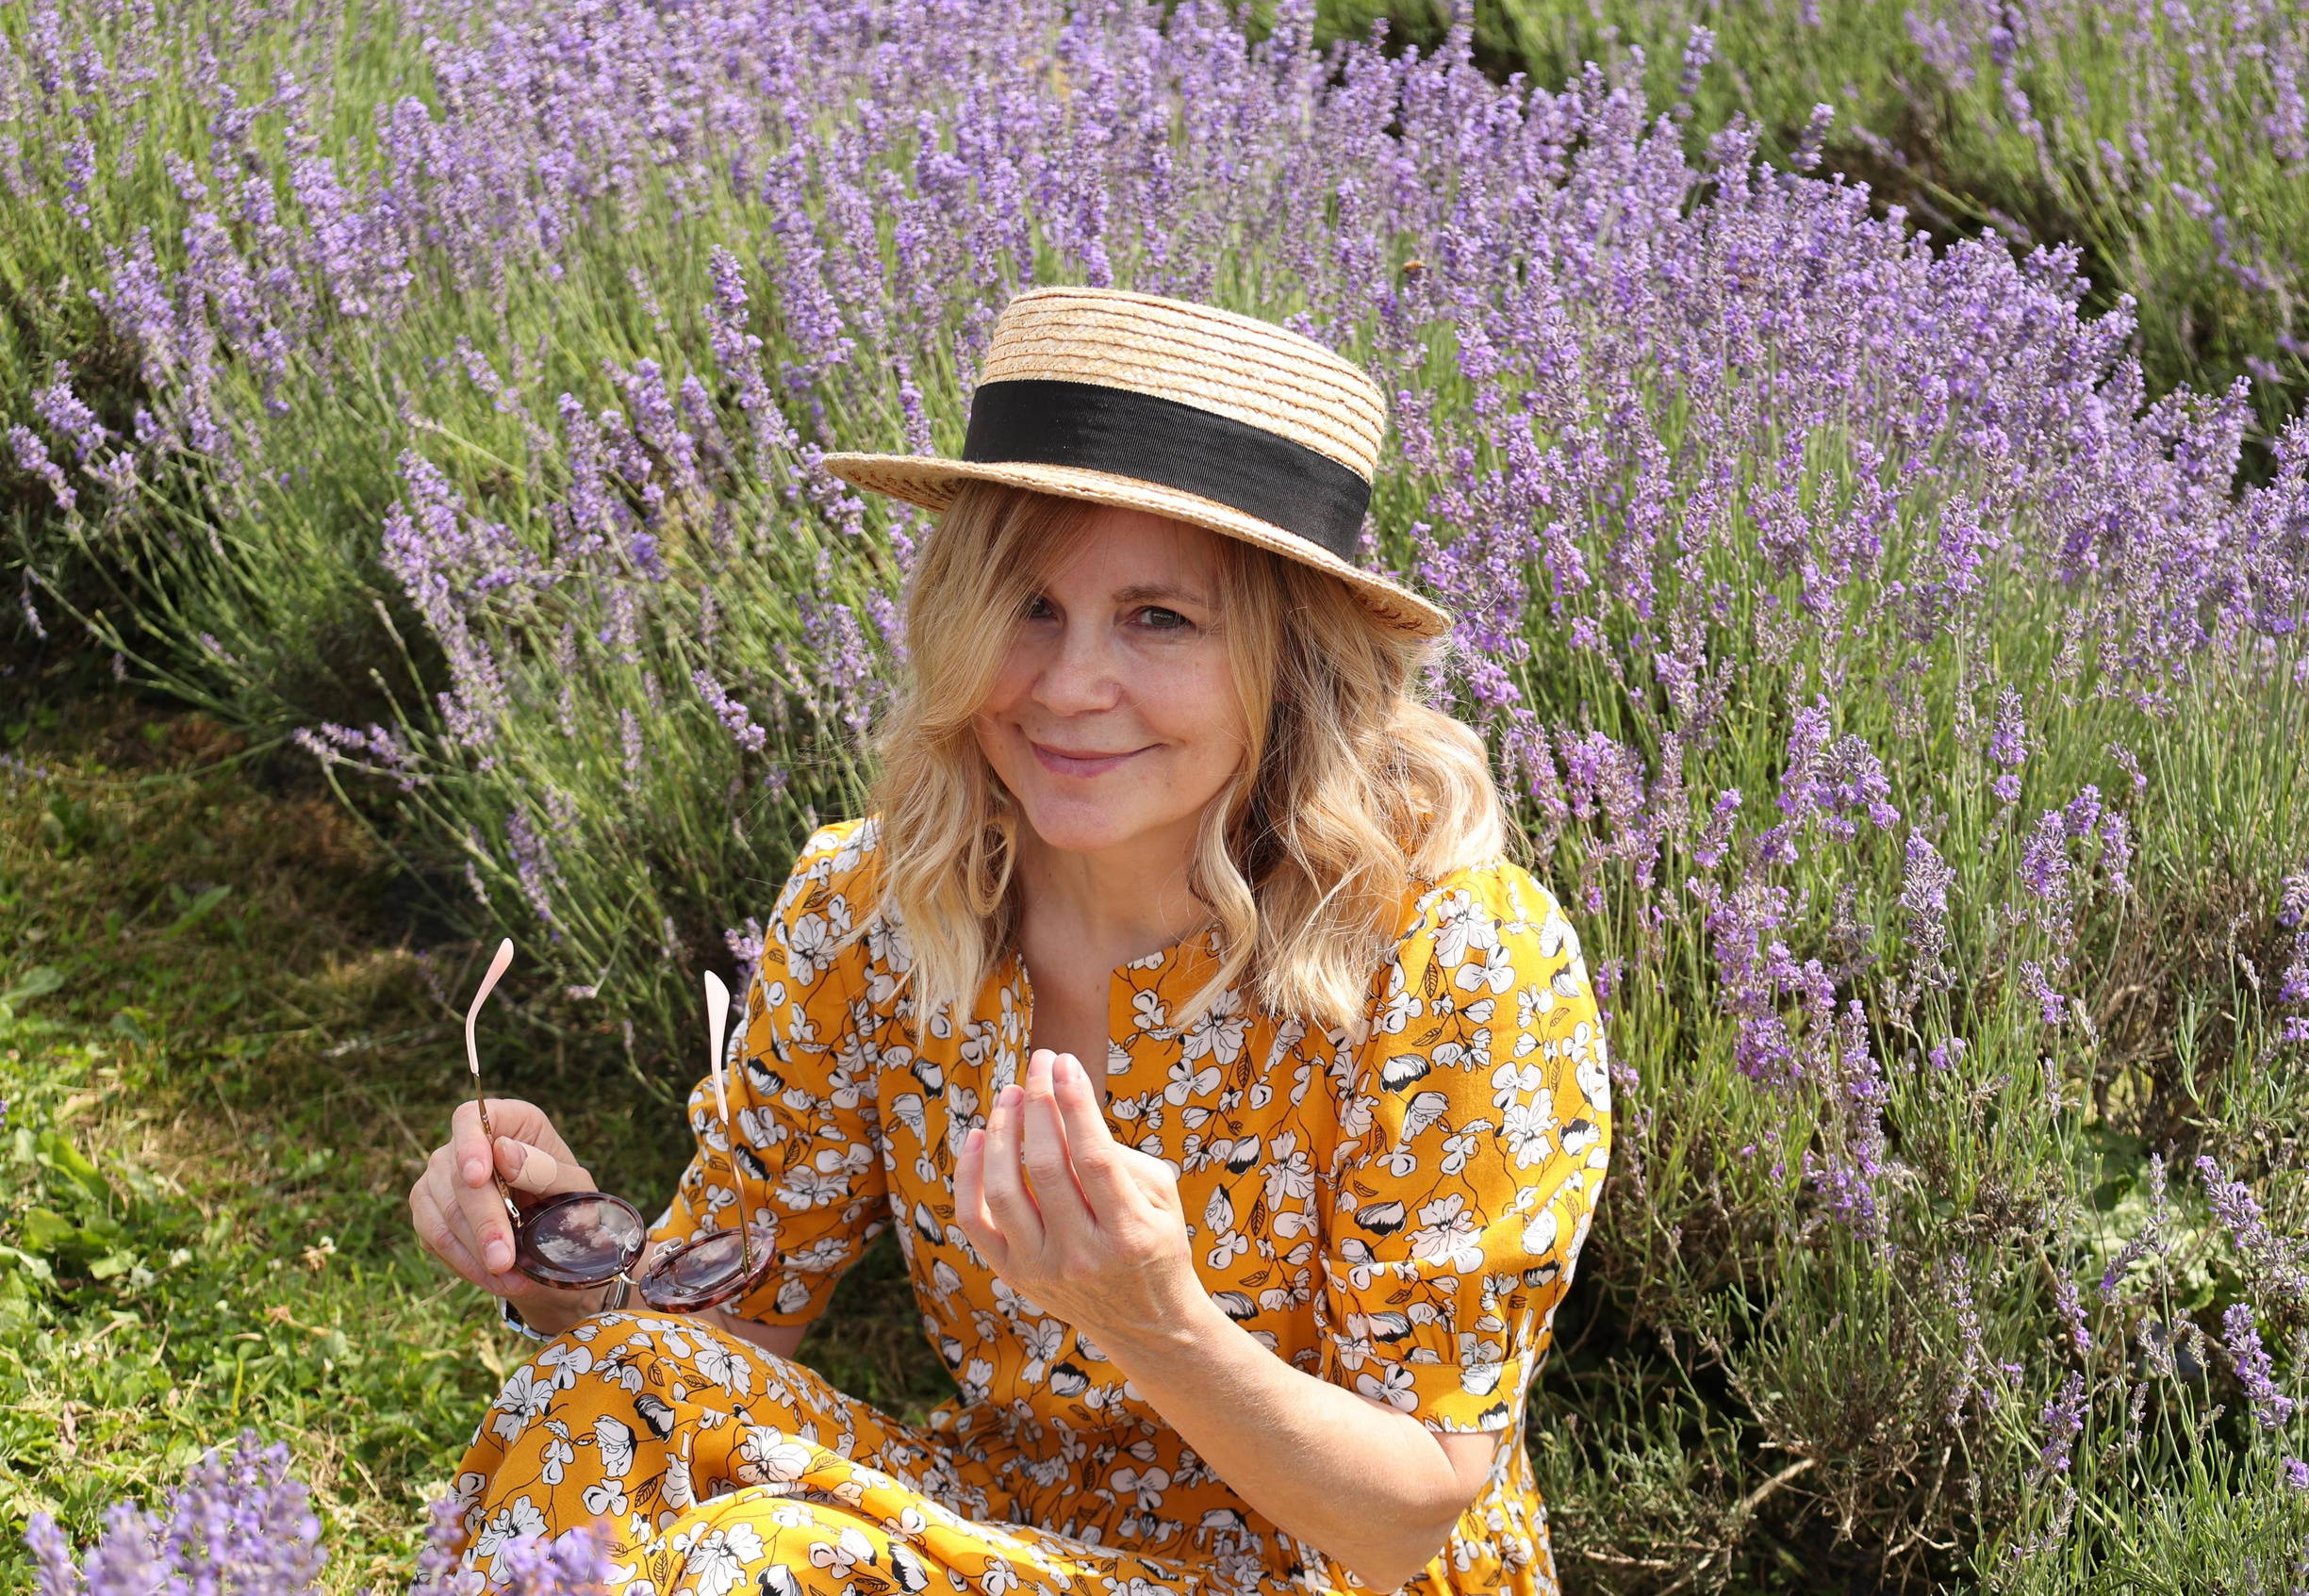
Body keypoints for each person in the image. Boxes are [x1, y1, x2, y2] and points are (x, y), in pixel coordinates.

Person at [410, 287, 1617, 1596]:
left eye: (1161, 618)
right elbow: (721, 1326)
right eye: (1028, 606)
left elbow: (1408, 1521)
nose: (1066, 683)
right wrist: (553, 1249)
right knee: (610, 1384)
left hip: (1332, 1575)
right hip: (1012, 1532)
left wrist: (1155, 1324)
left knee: (748, 1566)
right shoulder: (877, 905)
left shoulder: (1456, 957)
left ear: (1294, 660)